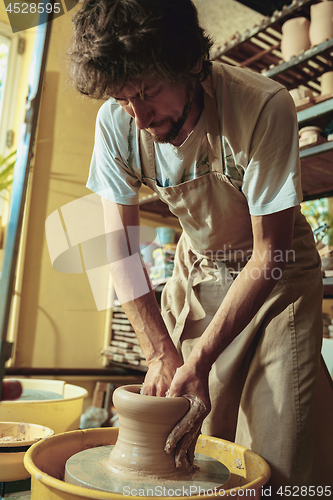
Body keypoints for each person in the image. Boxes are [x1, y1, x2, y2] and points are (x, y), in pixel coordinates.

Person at [69, 0, 323, 492]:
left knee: (281, 449)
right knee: (197, 437)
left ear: (189, 63)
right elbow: (119, 248)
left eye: (147, 92)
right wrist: (160, 351)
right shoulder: (116, 124)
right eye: (124, 98)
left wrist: (202, 355)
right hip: (203, 269)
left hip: (279, 278)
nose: (138, 116)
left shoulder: (262, 106)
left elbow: (268, 253)